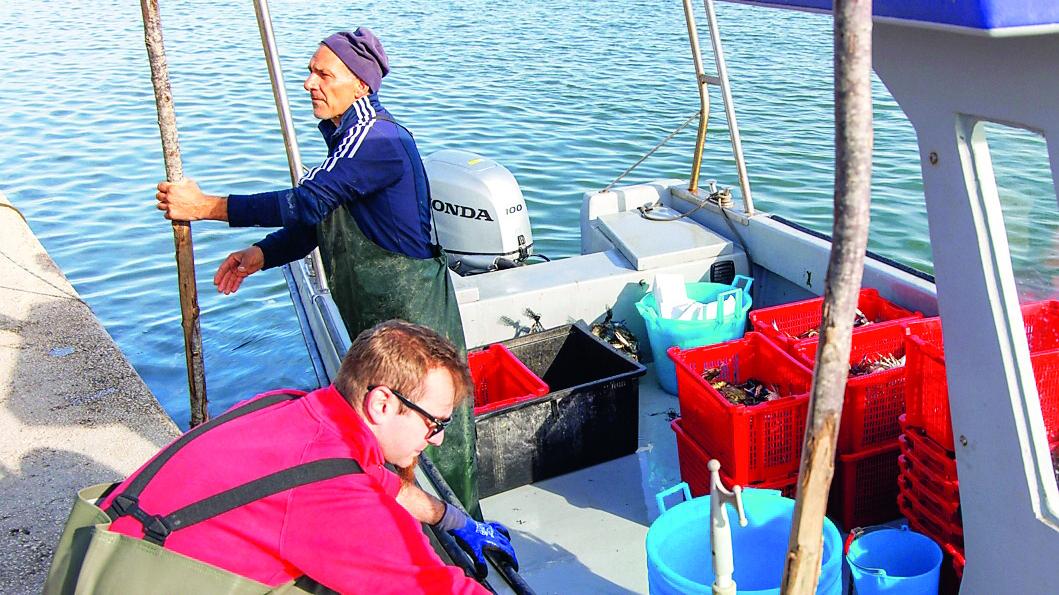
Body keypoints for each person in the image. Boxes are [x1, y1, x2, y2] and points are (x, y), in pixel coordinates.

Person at [153, 27, 479, 513]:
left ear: (361, 86)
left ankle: (462, 531)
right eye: (310, 71)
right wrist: (262, 254)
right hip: (376, 323)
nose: (309, 83)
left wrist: (206, 207)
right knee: (382, 429)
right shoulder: (346, 140)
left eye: (324, 73)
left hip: (415, 316)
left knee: (436, 438)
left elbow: (306, 201)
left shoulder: (378, 140)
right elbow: (317, 223)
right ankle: (394, 519)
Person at [91, 320, 515, 593]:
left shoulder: (292, 405)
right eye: (435, 423)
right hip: (140, 576)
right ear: (383, 404)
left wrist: (450, 518)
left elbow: (373, 480)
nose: (437, 440)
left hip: (104, 556)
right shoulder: (333, 496)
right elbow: (433, 587)